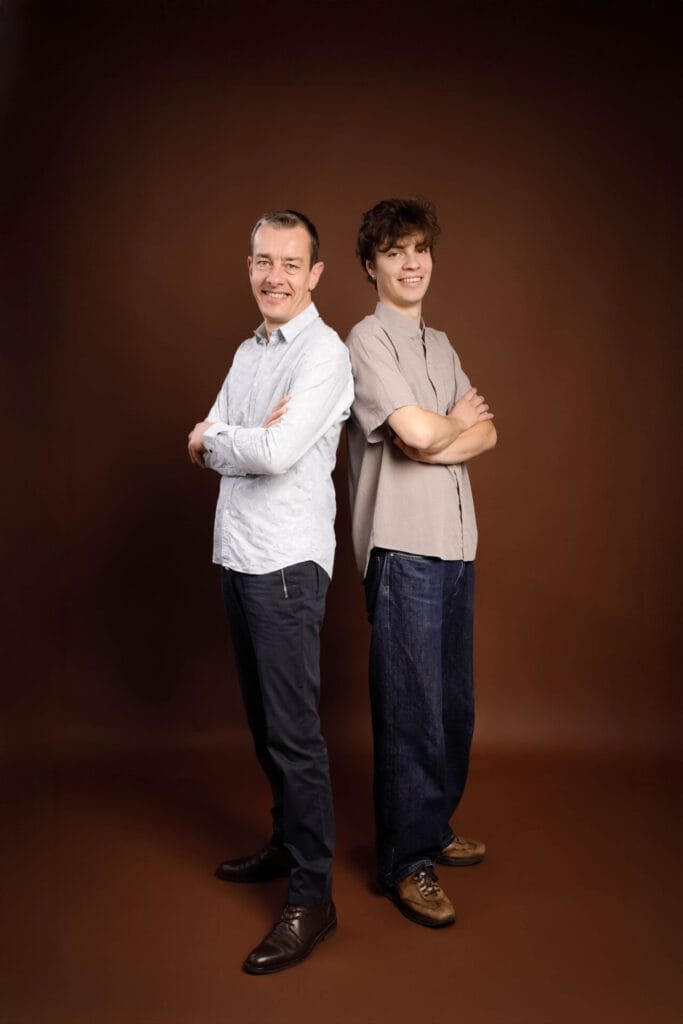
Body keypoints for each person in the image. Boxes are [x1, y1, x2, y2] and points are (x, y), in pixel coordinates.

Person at [187, 210, 353, 974]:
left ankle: (312, 897)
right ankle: (288, 844)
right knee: (262, 725)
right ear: (248, 263)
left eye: (290, 263)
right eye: (262, 260)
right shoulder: (248, 350)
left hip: (286, 563)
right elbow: (222, 438)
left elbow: (273, 449)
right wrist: (231, 439)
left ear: (315, 274)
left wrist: (224, 439)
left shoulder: (322, 353)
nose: (274, 276)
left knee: (292, 734)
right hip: (239, 555)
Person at [346, 198, 497, 929]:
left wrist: (449, 434)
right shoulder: (364, 340)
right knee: (410, 710)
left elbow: (488, 435)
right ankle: (406, 862)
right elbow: (407, 433)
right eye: (395, 252)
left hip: (457, 545)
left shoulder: (441, 345)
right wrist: (445, 430)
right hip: (402, 545)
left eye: (419, 249)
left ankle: (432, 828)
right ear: (370, 265)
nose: (411, 263)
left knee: (451, 707)